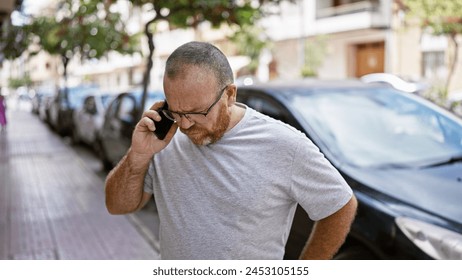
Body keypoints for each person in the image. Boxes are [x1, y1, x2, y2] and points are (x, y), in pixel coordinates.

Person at [105, 41, 357, 260]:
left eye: (197, 112)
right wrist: (138, 155)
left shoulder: (284, 144)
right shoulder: (163, 139)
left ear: (230, 95)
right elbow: (117, 207)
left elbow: (340, 205)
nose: (185, 125)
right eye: (176, 112)